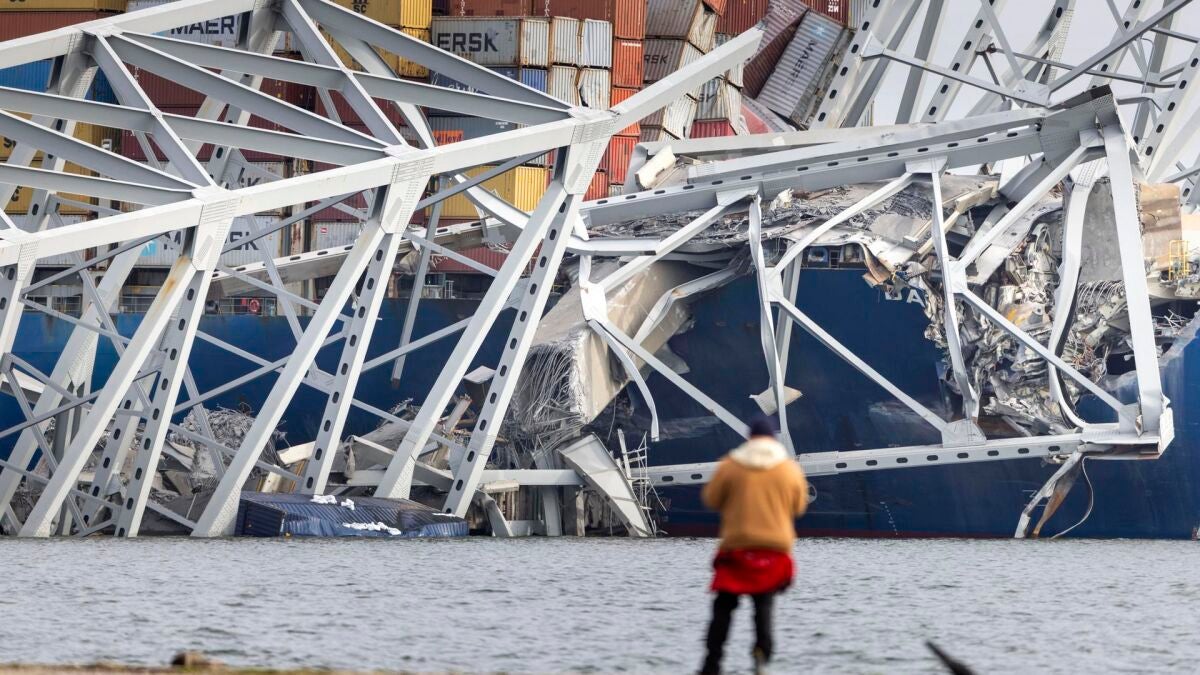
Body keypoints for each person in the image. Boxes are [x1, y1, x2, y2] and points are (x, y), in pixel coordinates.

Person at [699, 416, 809, 675]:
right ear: (773, 439)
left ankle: (712, 662)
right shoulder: (789, 470)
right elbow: (799, 507)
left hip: (737, 548)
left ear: (749, 438)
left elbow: (711, 499)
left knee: (723, 606)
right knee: (764, 605)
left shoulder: (730, 465)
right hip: (774, 550)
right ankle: (761, 655)